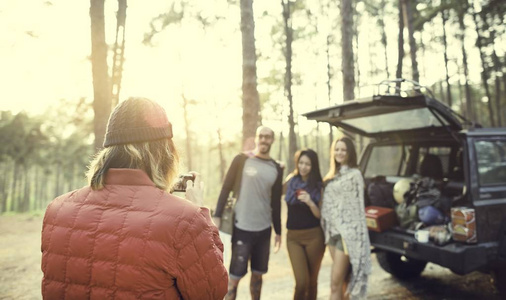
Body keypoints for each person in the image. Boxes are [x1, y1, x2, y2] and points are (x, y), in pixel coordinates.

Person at [41, 97, 228, 300]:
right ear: (163, 153)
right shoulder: (186, 219)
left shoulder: (57, 209)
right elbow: (211, 293)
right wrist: (200, 213)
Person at [213, 125, 283, 300]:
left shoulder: (276, 168)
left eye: (268, 137)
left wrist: (279, 231)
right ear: (257, 138)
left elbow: (276, 202)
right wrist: (217, 216)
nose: (264, 140)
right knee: (234, 277)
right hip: (242, 227)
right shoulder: (242, 160)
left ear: (272, 140)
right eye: (261, 136)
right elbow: (226, 188)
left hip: (264, 229)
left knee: (258, 275)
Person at [321, 136, 371, 300]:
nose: (339, 152)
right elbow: (328, 206)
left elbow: (356, 209)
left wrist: (354, 234)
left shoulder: (355, 175)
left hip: (347, 235)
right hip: (332, 234)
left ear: (350, 153)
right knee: (343, 281)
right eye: (337, 149)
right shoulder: (330, 177)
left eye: (343, 150)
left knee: (335, 283)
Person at [284, 149, 325, 300]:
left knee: (312, 282)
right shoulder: (291, 181)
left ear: (313, 166)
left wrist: (310, 202)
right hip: (293, 238)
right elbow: (273, 191)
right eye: (301, 163)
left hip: (314, 237)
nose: (303, 167)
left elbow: (320, 215)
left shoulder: (318, 186)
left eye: (307, 164)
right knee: (302, 282)